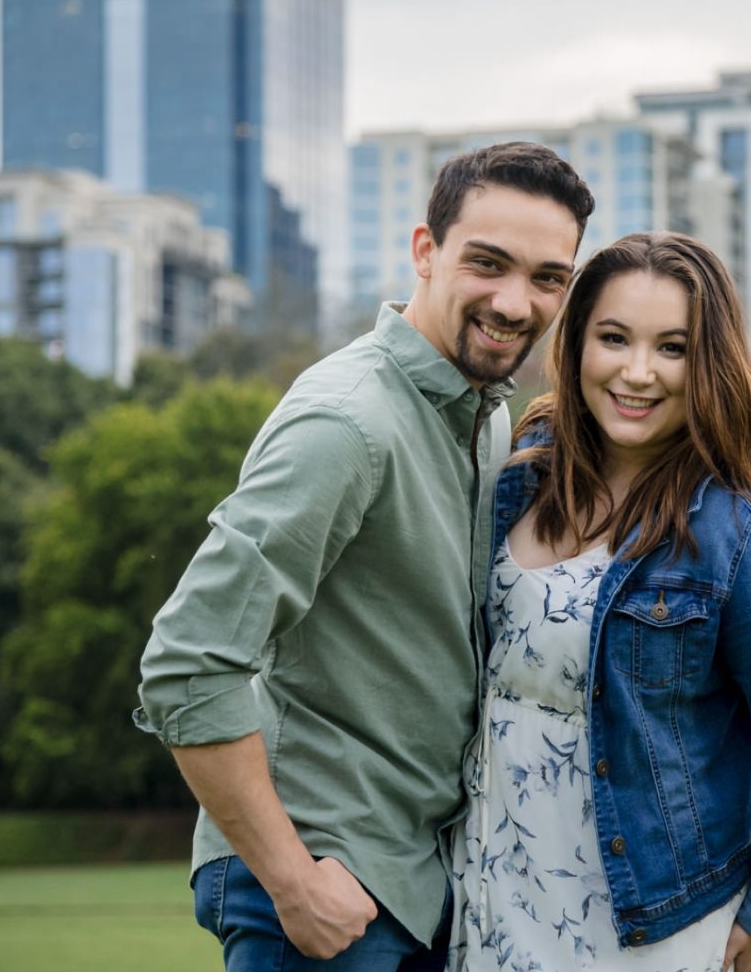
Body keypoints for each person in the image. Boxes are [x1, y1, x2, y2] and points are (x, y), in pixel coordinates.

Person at [134, 142, 594, 972]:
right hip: (323, 888)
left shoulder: (486, 416)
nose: (514, 300)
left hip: (414, 881)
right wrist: (292, 879)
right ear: (425, 250)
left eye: (547, 278)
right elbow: (187, 663)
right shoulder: (347, 424)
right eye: (486, 263)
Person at [449, 232, 751, 972]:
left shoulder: (741, 542)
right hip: (488, 898)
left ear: (708, 365)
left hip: (646, 927)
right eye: (613, 338)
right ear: (576, 345)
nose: (638, 372)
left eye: (672, 347)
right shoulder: (517, 477)